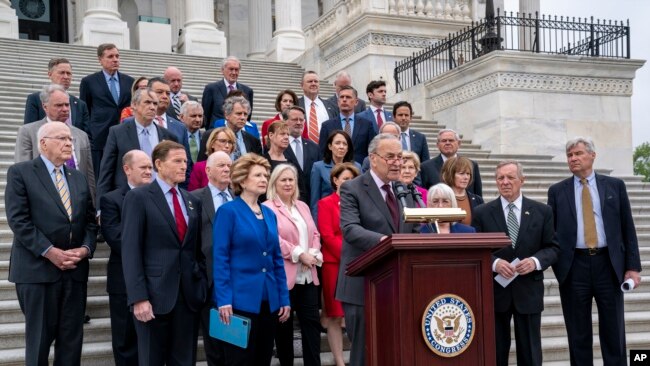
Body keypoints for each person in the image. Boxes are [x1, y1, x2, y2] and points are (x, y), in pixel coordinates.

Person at [5, 122, 98, 366]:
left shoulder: (77, 178)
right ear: (43, 143)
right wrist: (49, 251)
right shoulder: (21, 172)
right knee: (39, 343)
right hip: (37, 272)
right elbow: (19, 220)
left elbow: (90, 222)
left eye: (70, 139)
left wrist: (85, 249)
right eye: (62, 138)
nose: (69, 143)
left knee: (71, 342)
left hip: (74, 271)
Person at [547, 137, 642, 366]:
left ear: (592, 155)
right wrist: (560, 267)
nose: (573, 158)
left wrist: (632, 267)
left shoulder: (615, 186)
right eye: (570, 155)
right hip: (574, 267)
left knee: (614, 330)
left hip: (608, 265)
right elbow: (551, 234)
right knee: (577, 332)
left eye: (578, 153)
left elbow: (627, 227)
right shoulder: (557, 191)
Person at [336, 133, 419, 366]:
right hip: (362, 286)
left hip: (397, 285)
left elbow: (413, 229)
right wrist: (386, 241)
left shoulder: (404, 191)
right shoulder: (352, 188)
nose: (397, 162)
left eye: (400, 157)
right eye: (390, 156)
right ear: (373, 158)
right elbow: (351, 229)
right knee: (364, 353)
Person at [121, 140, 207, 365]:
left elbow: (196, 249)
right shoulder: (138, 197)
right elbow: (131, 251)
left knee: (184, 361)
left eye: (186, 162)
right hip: (153, 296)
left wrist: (199, 283)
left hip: (187, 297)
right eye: (177, 161)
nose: (183, 166)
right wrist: (139, 297)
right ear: (158, 164)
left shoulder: (191, 200)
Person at [472, 160, 559, 366]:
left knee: (530, 353)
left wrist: (535, 261)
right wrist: (494, 264)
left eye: (510, 177)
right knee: (495, 352)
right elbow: (475, 250)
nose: (505, 182)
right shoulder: (482, 213)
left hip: (528, 290)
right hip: (495, 293)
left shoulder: (542, 211)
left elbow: (553, 248)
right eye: (500, 178)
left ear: (522, 180)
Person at [212, 153, 291, 365]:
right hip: (239, 301)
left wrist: (283, 297)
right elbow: (220, 258)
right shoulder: (227, 212)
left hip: (269, 300)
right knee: (239, 360)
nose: (264, 179)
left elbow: (276, 259)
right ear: (242, 180)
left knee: (263, 359)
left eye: (265, 175)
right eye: (257, 175)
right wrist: (224, 299)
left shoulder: (269, 213)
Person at [263, 164, 323, 366]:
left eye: (291, 180)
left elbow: (315, 233)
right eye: (283, 180)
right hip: (285, 278)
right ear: (274, 183)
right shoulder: (268, 207)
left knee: (312, 327)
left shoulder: (303, 206)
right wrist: (299, 254)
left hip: (308, 275)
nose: (288, 183)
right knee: (283, 328)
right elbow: (273, 239)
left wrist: (313, 253)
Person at [100, 150, 153, 366]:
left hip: (155, 280)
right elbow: (118, 239)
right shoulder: (111, 200)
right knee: (125, 341)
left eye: (151, 167)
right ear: (127, 169)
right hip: (123, 282)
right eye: (143, 167)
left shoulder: (159, 197)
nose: (149, 171)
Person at [96, 88, 177, 210]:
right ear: (134, 105)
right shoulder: (117, 132)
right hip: (126, 200)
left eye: (155, 103)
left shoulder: (168, 136)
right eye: (147, 102)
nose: (152, 107)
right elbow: (106, 170)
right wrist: (100, 208)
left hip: (160, 200)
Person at [15, 84, 96, 205]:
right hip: (44, 203)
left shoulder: (82, 135)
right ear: (45, 107)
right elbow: (22, 173)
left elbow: (89, 175)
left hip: (78, 201)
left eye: (67, 104)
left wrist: (93, 205)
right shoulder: (29, 132)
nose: (65, 109)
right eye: (59, 105)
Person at [191, 150, 234, 366]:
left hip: (237, 282)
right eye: (221, 166)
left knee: (235, 346)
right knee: (215, 348)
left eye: (229, 165)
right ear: (208, 170)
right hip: (209, 283)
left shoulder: (239, 198)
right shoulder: (195, 198)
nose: (227, 169)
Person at [317, 162, 360, 366]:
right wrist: (349, 254)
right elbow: (326, 234)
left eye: (352, 179)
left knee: (356, 313)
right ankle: (340, 361)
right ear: (335, 181)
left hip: (360, 263)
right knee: (335, 315)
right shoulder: (325, 203)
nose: (348, 182)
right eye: (344, 179)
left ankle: (358, 356)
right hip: (335, 264)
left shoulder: (361, 201)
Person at [79, 43, 135, 177]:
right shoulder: (89, 81)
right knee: (102, 176)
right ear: (100, 60)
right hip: (100, 138)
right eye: (110, 56)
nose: (115, 59)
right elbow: (85, 110)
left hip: (124, 135)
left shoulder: (130, 81)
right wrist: (90, 135)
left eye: (117, 56)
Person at [23, 57, 90, 135]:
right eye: (62, 73)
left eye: (68, 73)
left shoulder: (80, 105)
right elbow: (29, 131)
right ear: (50, 74)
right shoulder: (35, 99)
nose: (66, 77)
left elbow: (85, 135)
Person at [319, 85, 376, 164]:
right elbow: (323, 153)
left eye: (348, 97)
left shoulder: (367, 125)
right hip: (334, 171)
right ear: (338, 102)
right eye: (342, 97)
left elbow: (371, 151)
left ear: (356, 102)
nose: (344, 100)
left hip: (359, 171)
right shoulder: (327, 126)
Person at [310, 130, 358, 219]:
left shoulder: (356, 167)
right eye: (337, 143)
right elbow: (315, 200)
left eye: (345, 144)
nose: (341, 147)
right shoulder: (318, 167)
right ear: (330, 146)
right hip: (327, 216)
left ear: (348, 148)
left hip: (351, 214)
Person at [198, 95, 262, 162]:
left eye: (245, 114)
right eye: (239, 114)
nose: (243, 117)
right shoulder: (210, 135)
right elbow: (201, 164)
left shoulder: (253, 141)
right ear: (227, 115)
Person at [420, 128, 482, 197]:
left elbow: (478, 195)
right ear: (437, 145)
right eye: (444, 141)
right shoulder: (426, 167)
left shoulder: (472, 165)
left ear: (458, 143)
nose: (447, 143)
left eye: (451, 140)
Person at [283, 106, 321, 204]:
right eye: (295, 119)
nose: (299, 123)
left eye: (301, 120)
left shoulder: (314, 147)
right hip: (286, 201)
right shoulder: (279, 146)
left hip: (310, 201)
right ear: (285, 121)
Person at [202, 56, 254, 127]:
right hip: (217, 133)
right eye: (231, 69)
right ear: (222, 70)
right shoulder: (211, 89)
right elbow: (205, 116)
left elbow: (248, 116)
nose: (234, 72)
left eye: (236, 70)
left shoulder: (247, 91)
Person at [188, 127, 236, 191]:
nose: (227, 146)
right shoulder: (199, 167)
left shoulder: (236, 168)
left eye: (230, 142)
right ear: (212, 143)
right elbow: (193, 195)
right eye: (222, 141)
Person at [440, 156, 484, 225]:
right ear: (450, 175)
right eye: (461, 173)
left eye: (468, 174)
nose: (466, 177)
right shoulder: (440, 199)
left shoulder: (477, 200)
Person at [298, 70, 338, 143]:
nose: (313, 84)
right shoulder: (295, 105)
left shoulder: (332, 106)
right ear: (302, 85)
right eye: (310, 81)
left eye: (316, 81)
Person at [179, 100, 204, 166]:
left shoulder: (206, 137)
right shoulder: (176, 137)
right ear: (182, 117)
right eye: (193, 116)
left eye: (200, 116)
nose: (198, 120)